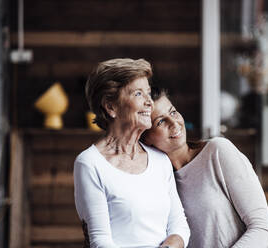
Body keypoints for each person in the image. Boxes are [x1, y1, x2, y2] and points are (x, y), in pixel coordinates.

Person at [73, 59, 190, 248]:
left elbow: (179, 226)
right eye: (138, 93)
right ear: (111, 107)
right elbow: (100, 242)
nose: (149, 102)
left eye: (148, 93)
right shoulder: (89, 163)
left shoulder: (160, 160)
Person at [142, 88, 268, 248]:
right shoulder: (158, 180)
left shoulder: (218, 151)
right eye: (160, 121)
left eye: (173, 112)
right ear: (145, 137)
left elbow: (263, 229)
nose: (174, 123)